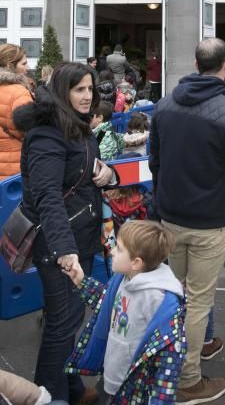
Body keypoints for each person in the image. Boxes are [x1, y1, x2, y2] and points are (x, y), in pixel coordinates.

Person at [149, 37, 225, 404]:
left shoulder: (164, 105)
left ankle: (187, 352)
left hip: (171, 215)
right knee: (197, 300)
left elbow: (155, 162)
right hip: (209, 219)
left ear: (196, 65)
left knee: (176, 294)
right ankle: (187, 379)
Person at [13, 62, 118, 402]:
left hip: (79, 234)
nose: (88, 97)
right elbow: (46, 196)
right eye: (79, 90)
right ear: (63, 92)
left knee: (70, 319)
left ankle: (69, 388)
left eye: (90, 89)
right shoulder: (48, 134)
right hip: (59, 243)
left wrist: (108, 174)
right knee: (61, 323)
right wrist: (64, 250)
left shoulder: (75, 124)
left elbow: (82, 172)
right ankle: (47, 395)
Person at [62, 220, 186, 404]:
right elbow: (107, 304)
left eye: (119, 249)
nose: (112, 251)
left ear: (136, 263)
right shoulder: (123, 279)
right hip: (112, 372)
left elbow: (169, 355)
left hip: (134, 387)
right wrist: (81, 281)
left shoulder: (157, 299)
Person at [0, 44, 33, 180]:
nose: (28, 68)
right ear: (9, 66)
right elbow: (31, 130)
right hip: (14, 171)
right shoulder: (19, 92)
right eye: (24, 64)